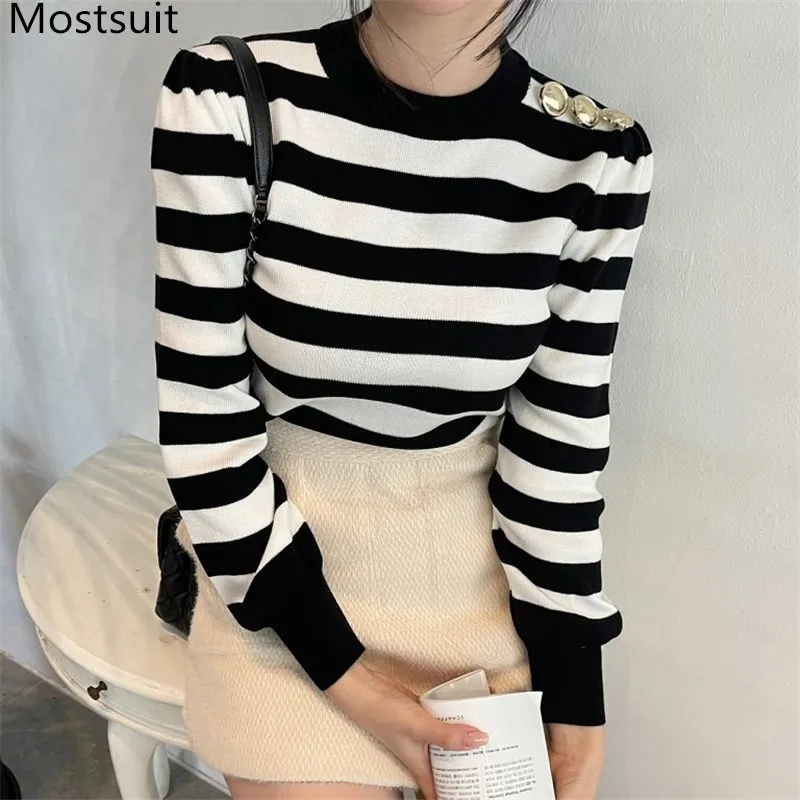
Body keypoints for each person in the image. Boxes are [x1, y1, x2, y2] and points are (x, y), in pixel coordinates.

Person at [150, 1, 654, 798]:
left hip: (477, 582)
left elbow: (558, 445)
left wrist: (576, 700)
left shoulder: (597, 156)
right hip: (277, 579)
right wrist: (350, 683)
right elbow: (202, 416)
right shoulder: (229, 96)